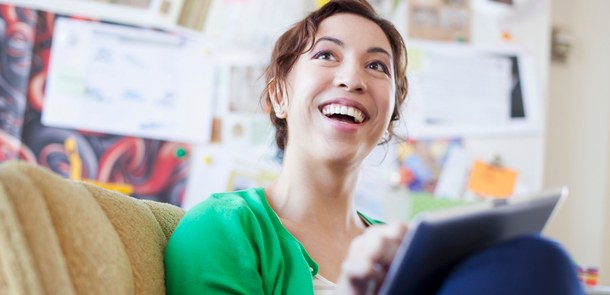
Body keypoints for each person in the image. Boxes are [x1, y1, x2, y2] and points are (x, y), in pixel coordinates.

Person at [164, 1, 584, 294]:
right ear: (278, 96)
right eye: (327, 55)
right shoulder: (220, 227)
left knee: (536, 256)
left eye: (376, 65)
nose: (353, 78)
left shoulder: (405, 247)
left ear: (389, 118)